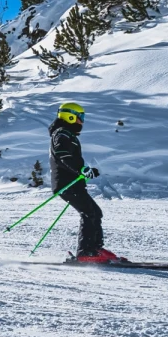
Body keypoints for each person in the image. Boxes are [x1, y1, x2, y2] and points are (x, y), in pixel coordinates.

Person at [48, 102, 118, 263]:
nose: (82, 121)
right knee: (89, 213)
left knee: (95, 212)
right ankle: (86, 252)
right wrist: (82, 169)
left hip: (73, 183)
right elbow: (63, 155)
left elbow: (69, 158)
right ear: (70, 117)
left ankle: (95, 249)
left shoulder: (67, 134)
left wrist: (84, 171)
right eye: (80, 117)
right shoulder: (62, 134)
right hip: (66, 184)